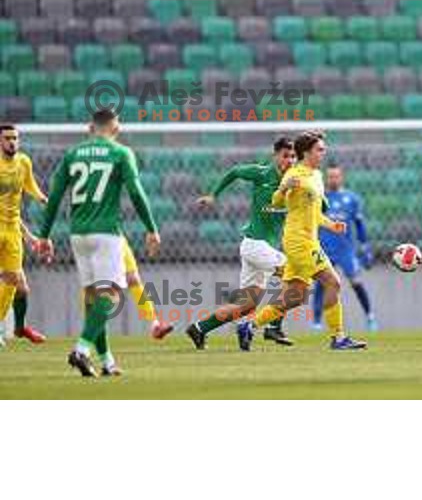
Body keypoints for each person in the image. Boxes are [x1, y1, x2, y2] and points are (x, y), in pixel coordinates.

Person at [38, 108, 160, 377]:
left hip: (77, 234)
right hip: (105, 233)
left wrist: (45, 235)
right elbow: (136, 193)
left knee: (94, 299)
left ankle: (106, 361)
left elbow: (55, 196)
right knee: (111, 295)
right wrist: (151, 228)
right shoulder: (120, 152)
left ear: (90, 127)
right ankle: (81, 350)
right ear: (116, 128)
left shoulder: (73, 154)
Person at [239, 131, 367, 351]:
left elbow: (315, 213)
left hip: (309, 239)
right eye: (319, 149)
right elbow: (276, 201)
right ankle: (338, 337)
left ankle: (249, 326)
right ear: (306, 152)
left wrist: (331, 225)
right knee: (332, 282)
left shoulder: (316, 175)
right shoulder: (294, 174)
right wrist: (284, 188)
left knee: (295, 296)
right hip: (299, 242)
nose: (323, 153)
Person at [186, 137, 296, 351]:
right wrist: (213, 195)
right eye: (285, 156)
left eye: (293, 156)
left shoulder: (297, 181)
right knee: (295, 277)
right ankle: (273, 326)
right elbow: (235, 171)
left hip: (261, 248)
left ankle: (199, 328)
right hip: (256, 245)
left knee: (247, 305)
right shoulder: (262, 173)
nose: (289, 160)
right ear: (275, 156)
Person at [313, 163, 377, 331]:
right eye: (330, 176)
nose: (333, 179)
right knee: (321, 284)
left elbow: (359, 225)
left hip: (345, 250)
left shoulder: (352, 199)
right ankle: (317, 323)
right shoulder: (320, 199)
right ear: (326, 178)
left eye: (336, 176)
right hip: (324, 248)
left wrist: (365, 246)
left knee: (356, 282)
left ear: (341, 177)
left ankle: (370, 318)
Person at [0, 124, 47, 348]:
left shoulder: (23, 162)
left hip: (11, 229)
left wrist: (41, 198)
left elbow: (30, 185)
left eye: (15, 138)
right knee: (17, 283)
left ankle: (16, 328)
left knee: (15, 282)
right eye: (7, 138)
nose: (12, 142)